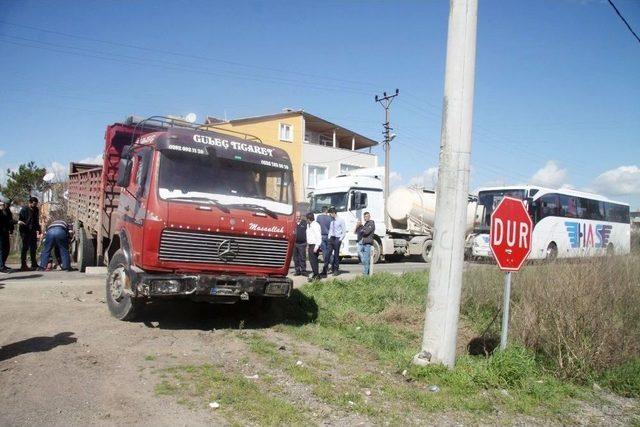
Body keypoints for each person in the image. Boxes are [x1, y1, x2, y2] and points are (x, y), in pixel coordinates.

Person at [18, 197, 41, 271]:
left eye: (36, 204)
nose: (35, 205)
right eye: (34, 204)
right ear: (30, 203)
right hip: (25, 231)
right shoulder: (24, 209)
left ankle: (34, 263)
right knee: (25, 248)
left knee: (33, 247)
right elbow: (20, 220)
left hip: (33, 230)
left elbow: (36, 220)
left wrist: (38, 229)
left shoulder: (36, 210)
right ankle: (23, 264)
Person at [323, 207, 346, 276]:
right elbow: (330, 230)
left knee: (336, 255)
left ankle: (336, 270)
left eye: (331, 214)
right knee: (327, 254)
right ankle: (325, 269)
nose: (330, 215)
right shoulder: (332, 221)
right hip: (331, 238)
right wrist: (329, 237)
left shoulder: (341, 220)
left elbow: (344, 231)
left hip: (337, 238)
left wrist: (340, 239)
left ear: (334, 213)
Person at [355, 211, 376, 276]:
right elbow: (358, 232)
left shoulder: (371, 223)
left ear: (369, 217)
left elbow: (366, 232)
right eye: (364, 217)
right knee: (362, 256)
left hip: (368, 243)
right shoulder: (366, 224)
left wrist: (362, 230)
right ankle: (367, 272)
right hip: (364, 242)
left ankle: (365, 275)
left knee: (366, 259)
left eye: (367, 216)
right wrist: (361, 229)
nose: (365, 218)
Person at [305, 212, 322, 281]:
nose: (306, 220)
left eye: (307, 219)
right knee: (311, 261)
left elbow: (319, 237)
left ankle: (317, 275)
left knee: (314, 261)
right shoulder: (309, 225)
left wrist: (316, 247)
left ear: (309, 219)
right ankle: (315, 274)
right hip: (310, 245)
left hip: (314, 245)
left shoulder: (315, 225)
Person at [0, 197, 12, 272]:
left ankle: (3, 264)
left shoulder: (8, 211)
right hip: (0, 232)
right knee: (1, 249)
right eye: (7, 204)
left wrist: (11, 229)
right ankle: (1, 266)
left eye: (9, 204)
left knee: (6, 249)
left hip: (5, 232)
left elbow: (10, 220)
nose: (8, 206)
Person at [293, 211, 307, 276]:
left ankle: (303, 271)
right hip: (294, 243)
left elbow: (308, 231)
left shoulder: (304, 222)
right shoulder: (293, 222)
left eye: (299, 216)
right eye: (297, 216)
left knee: (302, 258)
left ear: (301, 216)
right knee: (295, 258)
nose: (298, 218)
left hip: (302, 243)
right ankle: (297, 271)